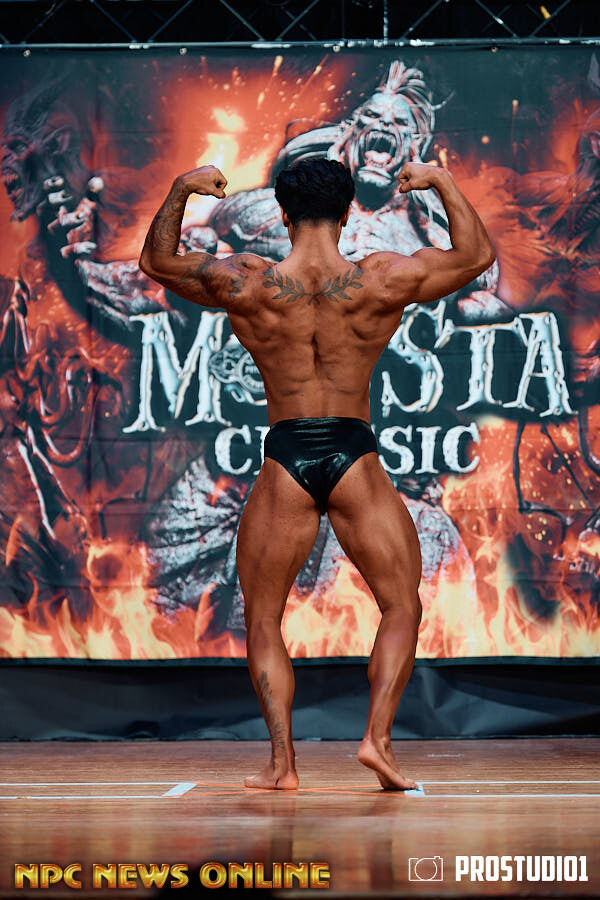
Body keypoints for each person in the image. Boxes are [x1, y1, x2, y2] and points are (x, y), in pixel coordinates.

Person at [139, 157, 496, 791]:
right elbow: (474, 257)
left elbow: (158, 262)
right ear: (349, 212)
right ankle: (377, 742)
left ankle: (283, 765)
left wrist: (180, 190)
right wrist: (441, 181)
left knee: (264, 618)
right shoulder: (380, 279)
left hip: (287, 457)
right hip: (353, 454)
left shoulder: (247, 282)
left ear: (281, 214)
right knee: (401, 605)